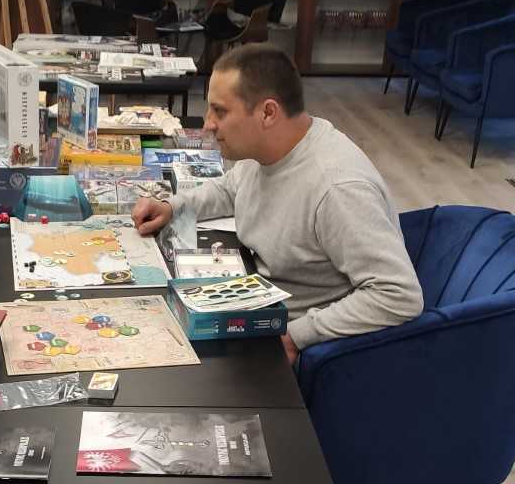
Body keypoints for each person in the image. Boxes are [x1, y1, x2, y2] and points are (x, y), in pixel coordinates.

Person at [133, 44, 422, 365]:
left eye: (220, 111)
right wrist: (172, 206)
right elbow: (230, 189)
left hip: (301, 347)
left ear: (268, 113)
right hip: (260, 305)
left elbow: (399, 293)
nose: (208, 125)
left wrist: (299, 334)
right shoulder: (271, 148)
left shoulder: (337, 188)